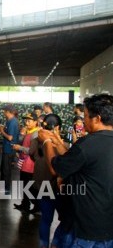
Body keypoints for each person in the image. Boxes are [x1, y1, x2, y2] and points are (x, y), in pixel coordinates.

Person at [40, 94, 113, 247]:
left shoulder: (89, 143)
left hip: (86, 229)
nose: (83, 120)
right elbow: (73, 158)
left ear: (97, 118)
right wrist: (58, 142)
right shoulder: (95, 144)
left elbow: (55, 169)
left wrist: (46, 141)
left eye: (85, 116)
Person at [33, 114, 64, 248]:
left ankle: (43, 245)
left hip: (41, 186)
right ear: (57, 127)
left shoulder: (36, 141)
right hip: (57, 188)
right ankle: (55, 243)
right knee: (66, 219)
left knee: (45, 220)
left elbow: (32, 155)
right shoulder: (61, 146)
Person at [12, 112, 40, 213]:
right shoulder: (29, 131)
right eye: (26, 121)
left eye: (29, 121)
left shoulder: (36, 134)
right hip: (25, 162)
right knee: (25, 185)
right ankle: (25, 204)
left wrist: (20, 148)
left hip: (30, 164)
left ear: (36, 122)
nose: (26, 123)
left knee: (29, 186)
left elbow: (32, 150)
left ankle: (37, 206)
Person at [0, 104, 19, 193]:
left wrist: (1, 131)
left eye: (4, 111)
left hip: (10, 149)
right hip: (7, 148)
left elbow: (10, 137)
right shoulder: (9, 121)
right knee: (3, 168)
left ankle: (6, 188)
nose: (3, 113)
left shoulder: (13, 122)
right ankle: (3, 185)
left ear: (8, 112)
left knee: (6, 169)